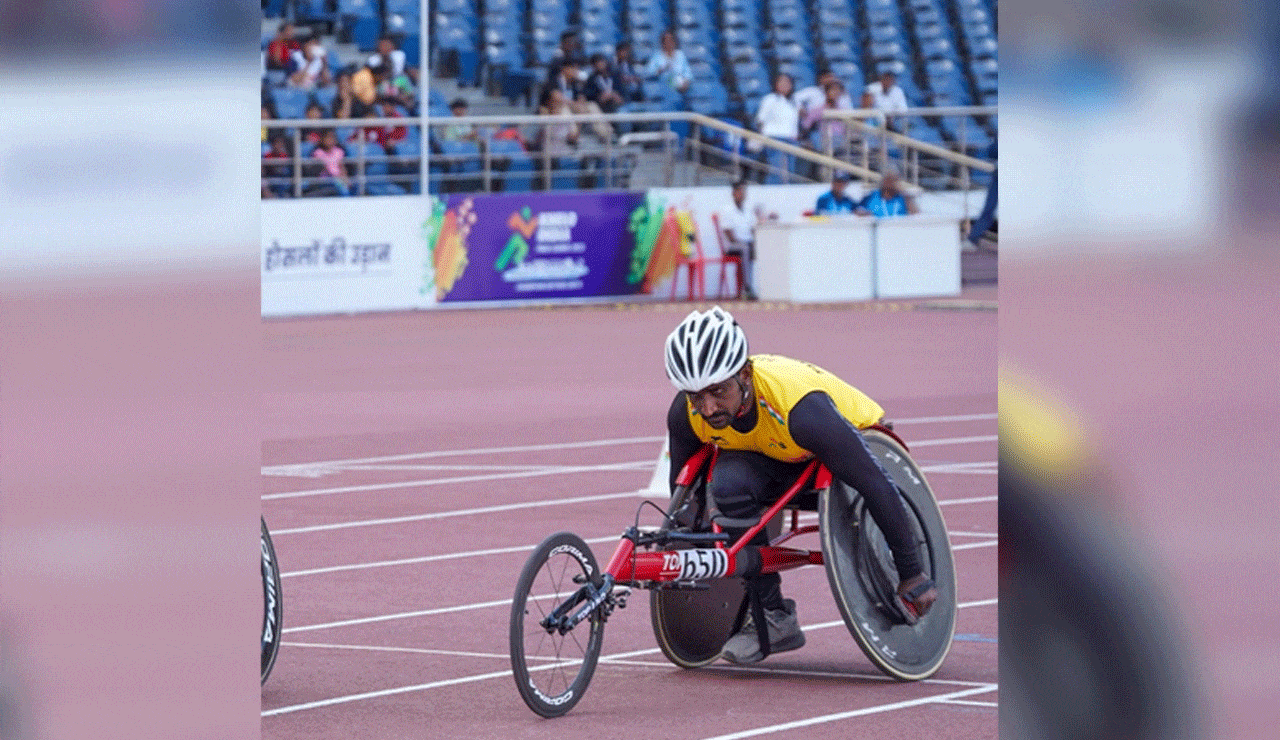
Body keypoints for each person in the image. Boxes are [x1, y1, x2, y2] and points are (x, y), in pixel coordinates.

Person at [662, 307, 938, 664]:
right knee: (726, 482)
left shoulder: (800, 409)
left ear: (744, 374)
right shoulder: (687, 415)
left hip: (838, 449)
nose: (709, 407)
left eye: (718, 391)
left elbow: (877, 484)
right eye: (696, 396)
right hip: (771, 457)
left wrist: (911, 571)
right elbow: (684, 499)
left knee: (741, 475)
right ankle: (775, 618)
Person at [718, 180, 776, 300]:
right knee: (745, 248)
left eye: (744, 191)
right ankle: (747, 287)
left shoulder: (748, 210)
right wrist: (742, 242)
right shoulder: (727, 210)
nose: (743, 194)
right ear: (734, 193)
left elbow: (752, 229)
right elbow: (728, 234)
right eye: (740, 191)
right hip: (733, 246)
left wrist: (763, 221)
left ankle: (769, 287)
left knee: (757, 247)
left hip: (747, 243)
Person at [754, 73, 799, 183]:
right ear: (776, 84)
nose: (784, 85)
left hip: (791, 139)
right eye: (781, 82)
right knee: (776, 170)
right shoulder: (770, 99)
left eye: (787, 82)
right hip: (774, 138)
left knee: (790, 171)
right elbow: (760, 120)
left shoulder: (794, 101)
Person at [643, 30, 692, 107]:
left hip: (680, 86)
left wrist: (686, 82)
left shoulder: (680, 55)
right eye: (666, 40)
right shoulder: (657, 55)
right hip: (663, 85)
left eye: (670, 40)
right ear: (662, 42)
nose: (668, 43)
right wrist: (660, 70)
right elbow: (648, 72)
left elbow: (687, 72)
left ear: (674, 41)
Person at [854, 168, 919, 216]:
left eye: (894, 180)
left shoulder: (902, 198)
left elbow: (915, 214)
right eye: (889, 179)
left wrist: (903, 193)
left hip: (898, 231)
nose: (891, 183)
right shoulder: (871, 197)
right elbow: (857, 211)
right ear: (883, 181)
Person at [311, 129, 351, 196]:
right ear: (322, 139)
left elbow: (342, 167)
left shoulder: (339, 151)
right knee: (339, 186)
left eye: (332, 138)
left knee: (350, 184)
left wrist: (345, 178)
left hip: (339, 178)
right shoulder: (318, 152)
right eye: (327, 138)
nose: (329, 140)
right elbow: (325, 169)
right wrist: (336, 178)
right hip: (325, 179)